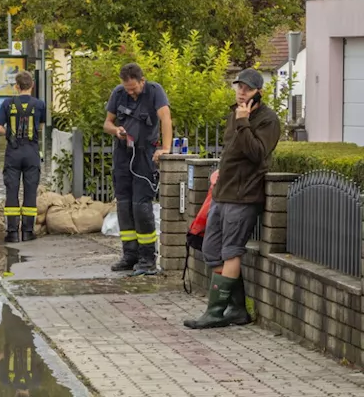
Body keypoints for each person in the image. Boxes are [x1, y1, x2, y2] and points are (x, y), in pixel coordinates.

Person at [185, 68, 281, 330]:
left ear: (258, 92)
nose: (241, 92)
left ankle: (215, 312)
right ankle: (236, 309)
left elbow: (256, 153)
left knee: (230, 251)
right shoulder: (234, 114)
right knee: (212, 251)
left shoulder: (267, 119)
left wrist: (243, 122)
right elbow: (231, 152)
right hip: (223, 193)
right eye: (239, 87)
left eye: (247, 89)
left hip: (244, 195)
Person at [103, 63, 172, 276]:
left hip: (144, 156)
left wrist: (166, 149)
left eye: (134, 88)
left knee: (141, 207)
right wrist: (116, 130)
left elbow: (165, 119)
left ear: (142, 81)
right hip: (123, 155)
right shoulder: (118, 93)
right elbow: (107, 123)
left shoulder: (155, 91)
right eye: (127, 89)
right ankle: (129, 255)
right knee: (124, 206)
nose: (130, 92)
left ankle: (148, 258)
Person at [0, 71, 45, 243]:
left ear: (16, 86)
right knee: (30, 191)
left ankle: (12, 232)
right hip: (31, 152)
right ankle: (28, 232)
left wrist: (10, 133)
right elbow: (42, 126)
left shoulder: (8, 103)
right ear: (32, 85)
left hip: (13, 153)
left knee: (12, 191)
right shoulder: (39, 104)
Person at [0, 304, 45, 395]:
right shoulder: (6, 380)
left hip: (29, 336)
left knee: (29, 304)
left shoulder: (36, 381)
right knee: (9, 301)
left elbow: (41, 361)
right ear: (16, 395)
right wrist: (7, 353)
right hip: (11, 334)